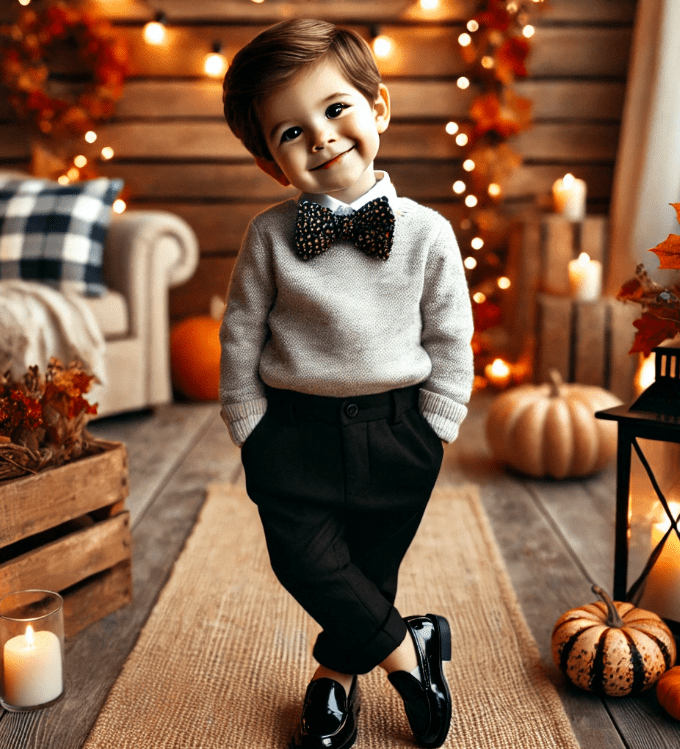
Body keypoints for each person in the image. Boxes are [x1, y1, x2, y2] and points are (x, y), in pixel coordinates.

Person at [220, 18, 474, 749]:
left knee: (367, 566)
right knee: (303, 557)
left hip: (401, 429)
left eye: (336, 109)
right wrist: (247, 417)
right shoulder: (270, 235)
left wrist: (440, 420)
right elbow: (241, 328)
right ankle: (408, 649)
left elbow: (449, 333)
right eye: (289, 132)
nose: (322, 136)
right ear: (273, 164)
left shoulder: (427, 232)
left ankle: (333, 678)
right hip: (292, 431)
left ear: (379, 108)